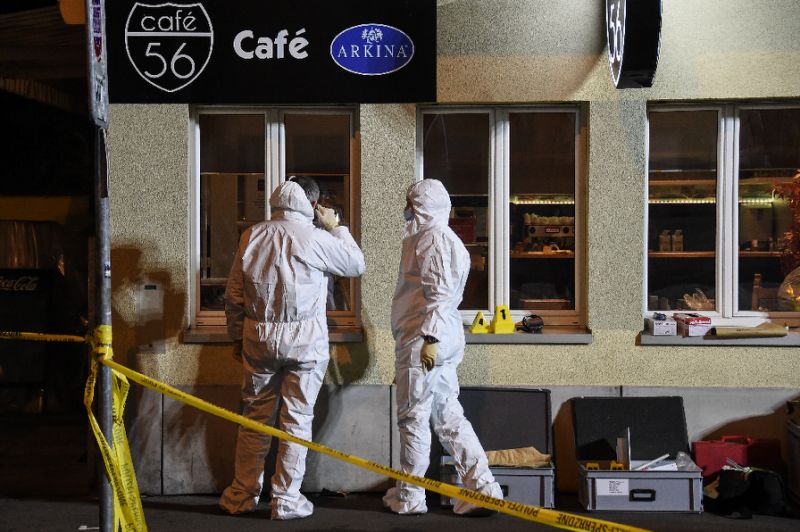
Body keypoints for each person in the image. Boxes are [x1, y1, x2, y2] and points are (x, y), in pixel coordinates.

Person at [220, 176, 365, 520]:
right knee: (297, 422)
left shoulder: (251, 236)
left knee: (254, 419)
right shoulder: (314, 238)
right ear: (313, 206)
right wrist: (337, 228)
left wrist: (237, 337)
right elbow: (356, 264)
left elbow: (234, 296)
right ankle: (285, 499)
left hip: (259, 344)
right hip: (304, 346)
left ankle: (242, 494)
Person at [383, 178, 503, 516]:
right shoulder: (441, 237)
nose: (406, 208)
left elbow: (437, 294)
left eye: (410, 201)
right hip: (437, 335)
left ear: (421, 205)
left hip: (424, 337)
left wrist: (430, 340)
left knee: (414, 418)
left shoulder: (431, 238)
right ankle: (482, 487)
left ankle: (411, 496)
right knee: (447, 414)